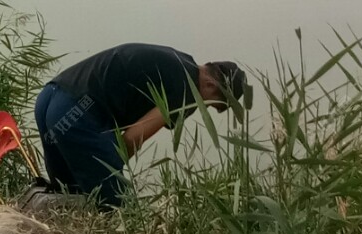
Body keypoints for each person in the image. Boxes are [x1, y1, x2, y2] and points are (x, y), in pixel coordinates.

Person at [33, 43, 246, 209]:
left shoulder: (180, 61)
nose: (203, 107)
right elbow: (130, 140)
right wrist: (113, 170)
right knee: (118, 207)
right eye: (212, 104)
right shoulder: (186, 90)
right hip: (75, 113)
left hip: (50, 98)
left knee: (68, 193)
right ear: (210, 84)